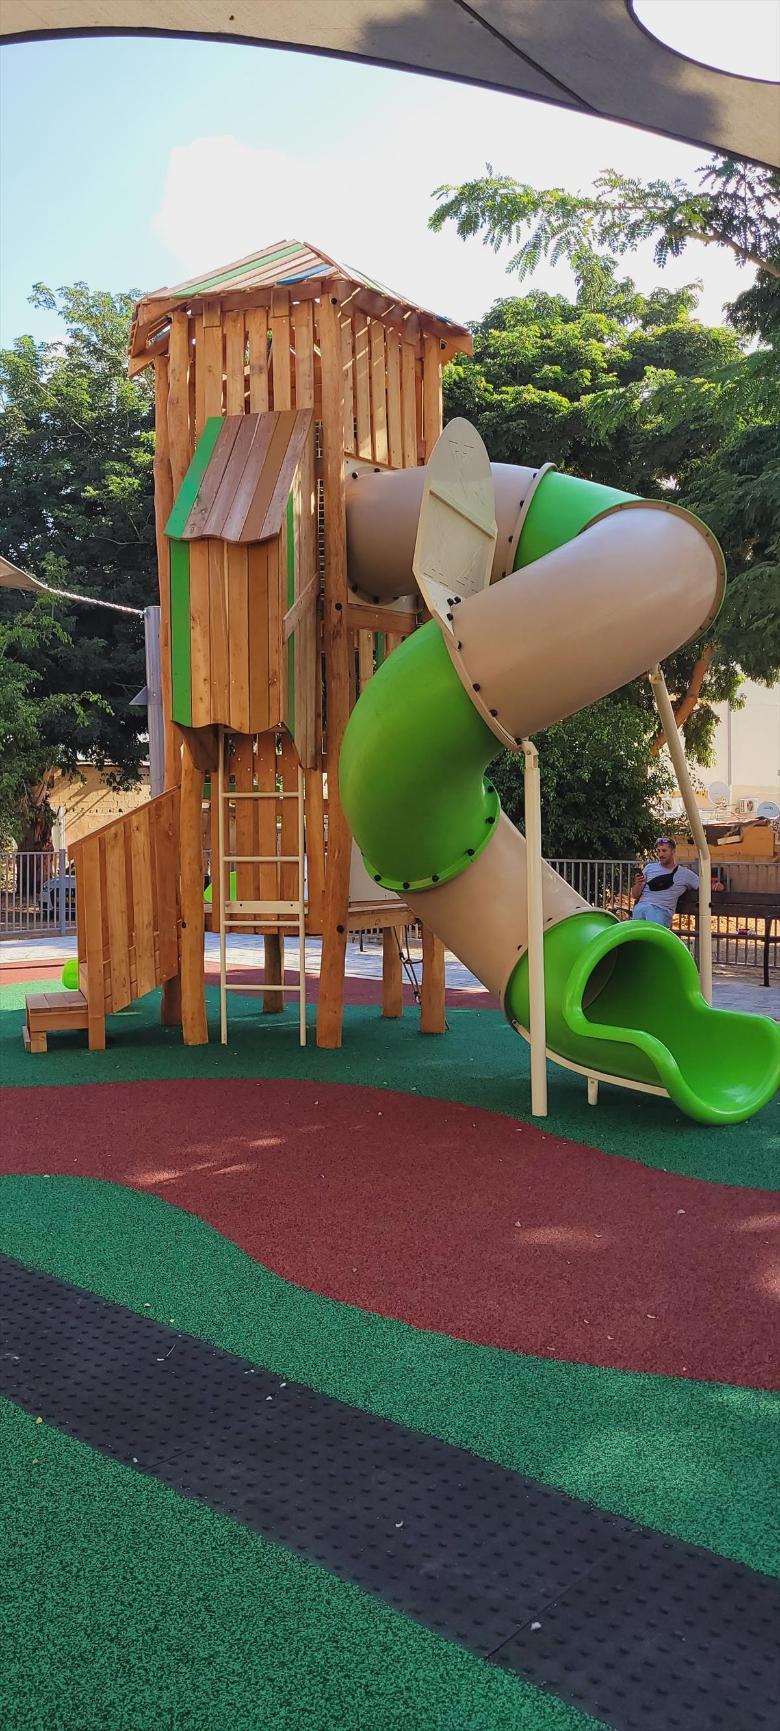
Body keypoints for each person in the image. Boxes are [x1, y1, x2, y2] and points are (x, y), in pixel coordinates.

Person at [630, 837, 702, 928]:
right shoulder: (649, 868)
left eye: (664, 851)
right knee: (641, 911)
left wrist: (719, 886)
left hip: (661, 911)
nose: (660, 854)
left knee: (650, 915)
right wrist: (638, 884)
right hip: (641, 908)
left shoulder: (684, 874)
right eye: (658, 851)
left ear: (672, 851)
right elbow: (635, 895)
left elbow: (704, 886)